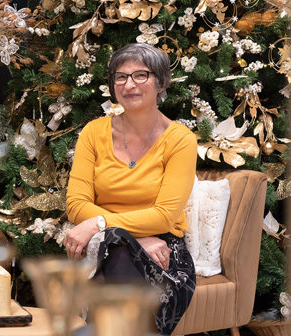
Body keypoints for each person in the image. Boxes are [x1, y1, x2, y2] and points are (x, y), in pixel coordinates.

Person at [64, 43, 197, 335]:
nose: (129, 85)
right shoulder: (93, 133)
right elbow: (75, 203)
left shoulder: (180, 140)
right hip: (103, 244)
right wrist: (134, 236)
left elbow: (164, 216)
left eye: (140, 75)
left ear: (160, 82)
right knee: (117, 251)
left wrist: (101, 222)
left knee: (118, 257)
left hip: (162, 249)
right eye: (120, 77)